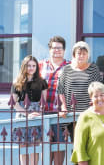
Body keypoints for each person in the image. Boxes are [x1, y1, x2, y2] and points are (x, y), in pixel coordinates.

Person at [58, 41, 104, 139]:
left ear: (88, 55)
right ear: (74, 55)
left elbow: (99, 88)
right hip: (72, 114)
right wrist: (63, 106)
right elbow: (60, 90)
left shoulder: (93, 69)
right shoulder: (66, 69)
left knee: (90, 141)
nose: (81, 56)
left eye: (84, 54)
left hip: (89, 112)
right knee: (76, 143)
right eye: (79, 53)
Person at [71, 81, 104, 165]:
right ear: (91, 98)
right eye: (95, 96)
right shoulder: (85, 117)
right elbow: (79, 149)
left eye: (102, 95)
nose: (99, 98)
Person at [38, 36, 70, 165]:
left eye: (59, 48)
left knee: (59, 145)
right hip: (43, 112)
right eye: (54, 48)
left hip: (61, 113)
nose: (56, 50)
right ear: (49, 49)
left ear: (64, 50)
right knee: (45, 144)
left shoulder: (69, 66)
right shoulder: (41, 65)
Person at [11, 55, 48, 165]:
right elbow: (14, 103)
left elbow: (43, 102)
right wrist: (27, 114)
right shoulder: (17, 82)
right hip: (22, 115)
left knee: (34, 145)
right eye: (28, 66)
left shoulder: (42, 82)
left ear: (37, 67)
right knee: (23, 145)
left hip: (36, 115)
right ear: (24, 67)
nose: (31, 68)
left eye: (33, 66)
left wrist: (39, 113)